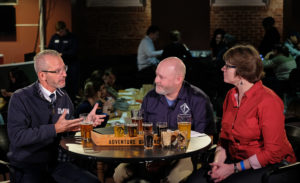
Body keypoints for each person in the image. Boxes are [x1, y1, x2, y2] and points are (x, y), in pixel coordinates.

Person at [187, 45, 296, 183]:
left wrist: (232, 168)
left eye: (227, 66)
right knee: (195, 180)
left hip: (271, 166)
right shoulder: (231, 95)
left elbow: (272, 154)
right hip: (236, 161)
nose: (222, 68)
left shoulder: (268, 101)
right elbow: (224, 139)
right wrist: (218, 163)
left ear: (242, 72)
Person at [7, 49, 105, 183]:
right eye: (57, 71)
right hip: (27, 165)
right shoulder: (20, 98)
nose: (64, 74)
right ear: (42, 76)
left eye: (64, 68)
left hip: (54, 163)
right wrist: (54, 129)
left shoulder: (63, 97)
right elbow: (17, 137)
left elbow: (65, 130)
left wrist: (83, 123)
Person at [114, 57, 216, 183]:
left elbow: (208, 138)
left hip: (183, 154)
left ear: (178, 79)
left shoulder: (198, 99)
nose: (156, 80)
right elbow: (141, 133)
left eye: (161, 77)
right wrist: (149, 157)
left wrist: (167, 158)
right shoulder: (150, 97)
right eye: (156, 75)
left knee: (175, 178)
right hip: (151, 153)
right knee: (119, 173)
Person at [48, 20, 79, 102]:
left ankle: (71, 102)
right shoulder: (54, 37)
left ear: (65, 29)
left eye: (61, 31)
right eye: (58, 32)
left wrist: (63, 54)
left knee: (71, 85)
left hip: (70, 65)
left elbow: (74, 51)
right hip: (57, 67)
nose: (59, 33)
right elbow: (49, 49)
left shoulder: (72, 37)